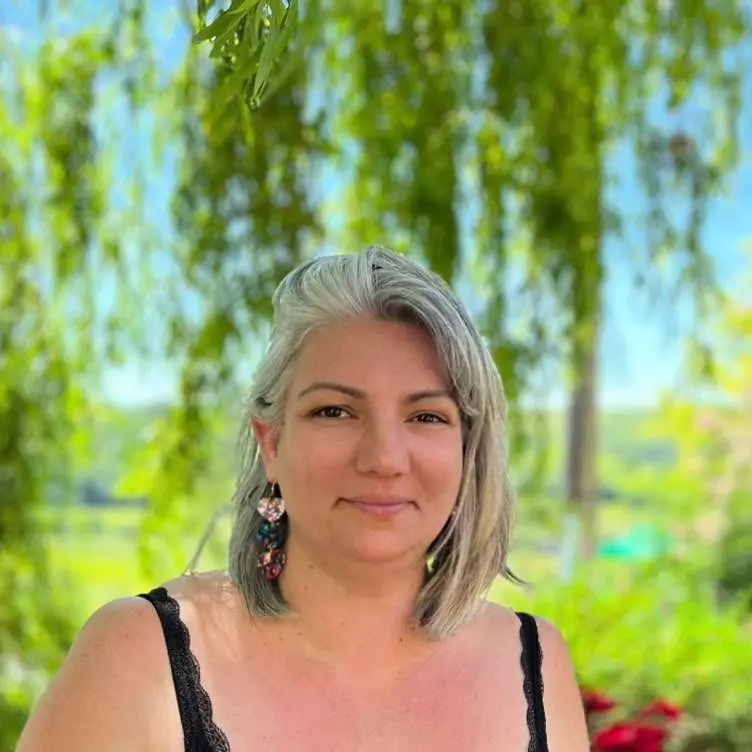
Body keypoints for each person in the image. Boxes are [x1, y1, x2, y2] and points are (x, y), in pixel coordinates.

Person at [17, 246, 589, 751]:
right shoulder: (138, 657)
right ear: (271, 442)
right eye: (334, 411)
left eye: (426, 416)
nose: (384, 458)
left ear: (467, 452)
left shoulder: (536, 663)